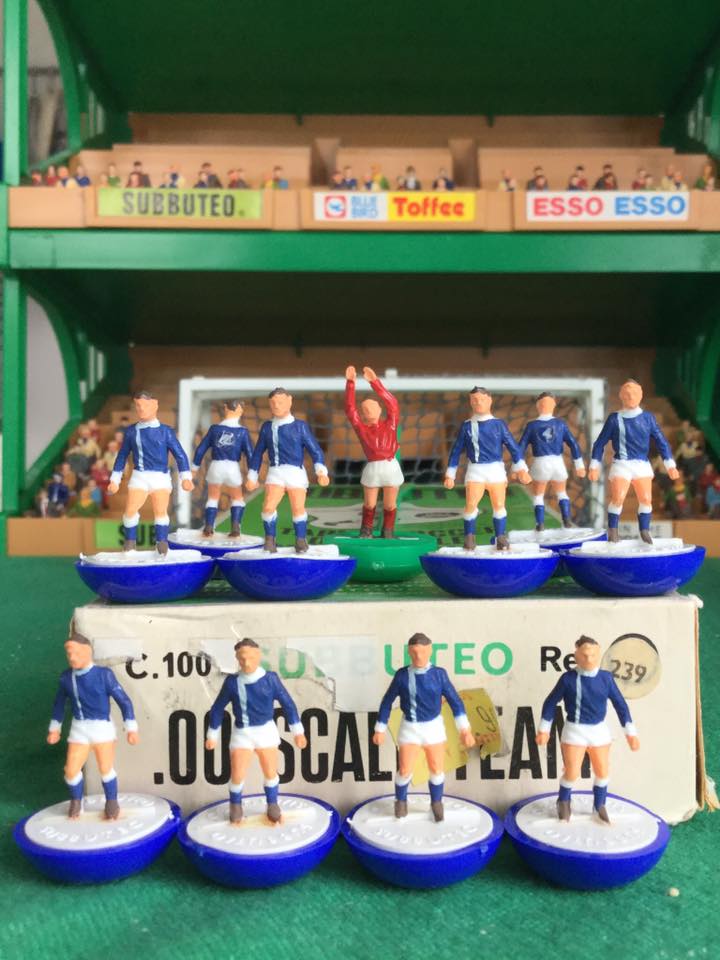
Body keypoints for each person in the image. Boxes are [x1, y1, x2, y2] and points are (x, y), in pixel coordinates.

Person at [535, 635, 639, 824]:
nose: (589, 659)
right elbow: (550, 702)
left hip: (599, 731)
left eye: (593, 655)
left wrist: (630, 733)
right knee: (572, 772)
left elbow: (621, 705)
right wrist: (544, 729)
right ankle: (563, 801)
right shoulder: (568, 679)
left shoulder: (606, 678)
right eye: (584, 655)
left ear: (599, 653)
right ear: (576, 655)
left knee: (602, 771)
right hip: (574, 731)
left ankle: (599, 805)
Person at [373, 632, 475, 822]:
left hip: (433, 728)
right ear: (409, 652)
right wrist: (380, 728)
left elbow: (455, 701)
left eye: (422, 652)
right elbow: (387, 701)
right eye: (414, 652)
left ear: (430, 651)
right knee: (405, 769)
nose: (418, 657)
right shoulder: (402, 675)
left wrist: (465, 730)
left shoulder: (439, 674)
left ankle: (436, 803)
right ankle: (401, 802)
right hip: (410, 728)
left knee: (436, 768)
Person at [206, 638, 306, 824]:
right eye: (242, 659)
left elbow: (288, 704)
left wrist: (298, 731)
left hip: (266, 732)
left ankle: (272, 803)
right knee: (237, 774)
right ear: (237, 659)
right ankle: (235, 804)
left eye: (250, 658)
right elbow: (218, 708)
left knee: (270, 771)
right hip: (242, 733)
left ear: (258, 656)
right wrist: (213, 734)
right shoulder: (232, 682)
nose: (246, 663)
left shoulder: (270, 679)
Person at [48, 630, 138, 819]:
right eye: (69, 653)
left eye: (77, 653)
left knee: (105, 768)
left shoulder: (104, 675)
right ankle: (76, 801)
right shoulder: (66, 678)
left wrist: (131, 728)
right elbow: (59, 704)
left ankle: (111, 801)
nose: (72, 657)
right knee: (71, 770)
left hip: (102, 729)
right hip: (79, 729)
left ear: (88, 651)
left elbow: (124, 701)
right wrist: (55, 729)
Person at [588, 379, 678, 543]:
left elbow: (661, 441)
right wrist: (594, 465)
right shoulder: (615, 419)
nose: (631, 397)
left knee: (646, 499)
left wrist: (670, 464)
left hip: (641, 465)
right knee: (618, 498)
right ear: (621, 396)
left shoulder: (648, 418)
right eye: (627, 394)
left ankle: (644, 530)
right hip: (622, 464)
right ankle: (613, 531)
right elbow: (600, 443)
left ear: (641, 395)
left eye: (634, 393)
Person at [107, 390, 194, 554]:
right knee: (130, 510)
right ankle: (130, 543)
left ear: (155, 405)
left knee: (160, 511)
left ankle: (162, 543)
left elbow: (180, 455)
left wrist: (186, 478)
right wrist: (115, 480)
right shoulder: (132, 431)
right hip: (139, 477)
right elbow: (122, 456)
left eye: (145, 405)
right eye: (138, 406)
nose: (141, 409)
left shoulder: (166, 431)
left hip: (160, 478)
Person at [445, 387, 531, 551]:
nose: (478, 403)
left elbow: (513, 447)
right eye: (474, 400)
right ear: (470, 403)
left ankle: (500, 537)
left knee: (499, 504)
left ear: (490, 401)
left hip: (495, 471)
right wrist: (450, 475)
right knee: (471, 504)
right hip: (475, 471)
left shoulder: (499, 425)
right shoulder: (467, 426)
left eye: (482, 399)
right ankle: (469, 537)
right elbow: (456, 450)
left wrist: (521, 469)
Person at [245, 387, 330, 553]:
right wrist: (252, 476)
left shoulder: (300, 426)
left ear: (290, 401)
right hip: (275, 473)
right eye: (273, 403)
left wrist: (321, 471)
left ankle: (300, 540)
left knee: (298, 508)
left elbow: (315, 450)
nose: (277, 406)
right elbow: (258, 453)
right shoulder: (267, 427)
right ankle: (270, 540)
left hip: (295, 473)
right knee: (268, 507)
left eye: (280, 402)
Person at [345, 365, 403, 538]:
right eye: (365, 409)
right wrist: (350, 384)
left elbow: (393, 404)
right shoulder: (361, 429)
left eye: (372, 407)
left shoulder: (390, 424)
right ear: (362, 414)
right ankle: (366, 530)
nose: (369, 411)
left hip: (391, 467)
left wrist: (375, 383)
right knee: (369, 504)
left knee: (390, 504)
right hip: (373, 469)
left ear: (380, 409)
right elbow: (350, 409)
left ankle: (388, 531)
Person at [518, 392, 586, 531]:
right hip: (557, 463)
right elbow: (573, 444)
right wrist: (579, 464)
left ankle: (540, 524)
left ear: (538, 406)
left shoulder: (532, 426)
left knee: (538, 496)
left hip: (541, 464)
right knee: (561, 493)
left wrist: (518, 467)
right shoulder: (560, 424)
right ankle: (566, 521)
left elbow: (521, 447)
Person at [192, 399, 254, 537]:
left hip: (216, 466)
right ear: (240, 411)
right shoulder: (242, 432)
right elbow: (250, 454)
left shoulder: (214, 429)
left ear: (226, 408)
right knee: (237, 498)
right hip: (232, 468)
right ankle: (236, 527)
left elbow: (200, 450)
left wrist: (194, 469)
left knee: (213, 498)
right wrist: (252, 475)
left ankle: (209, 526)